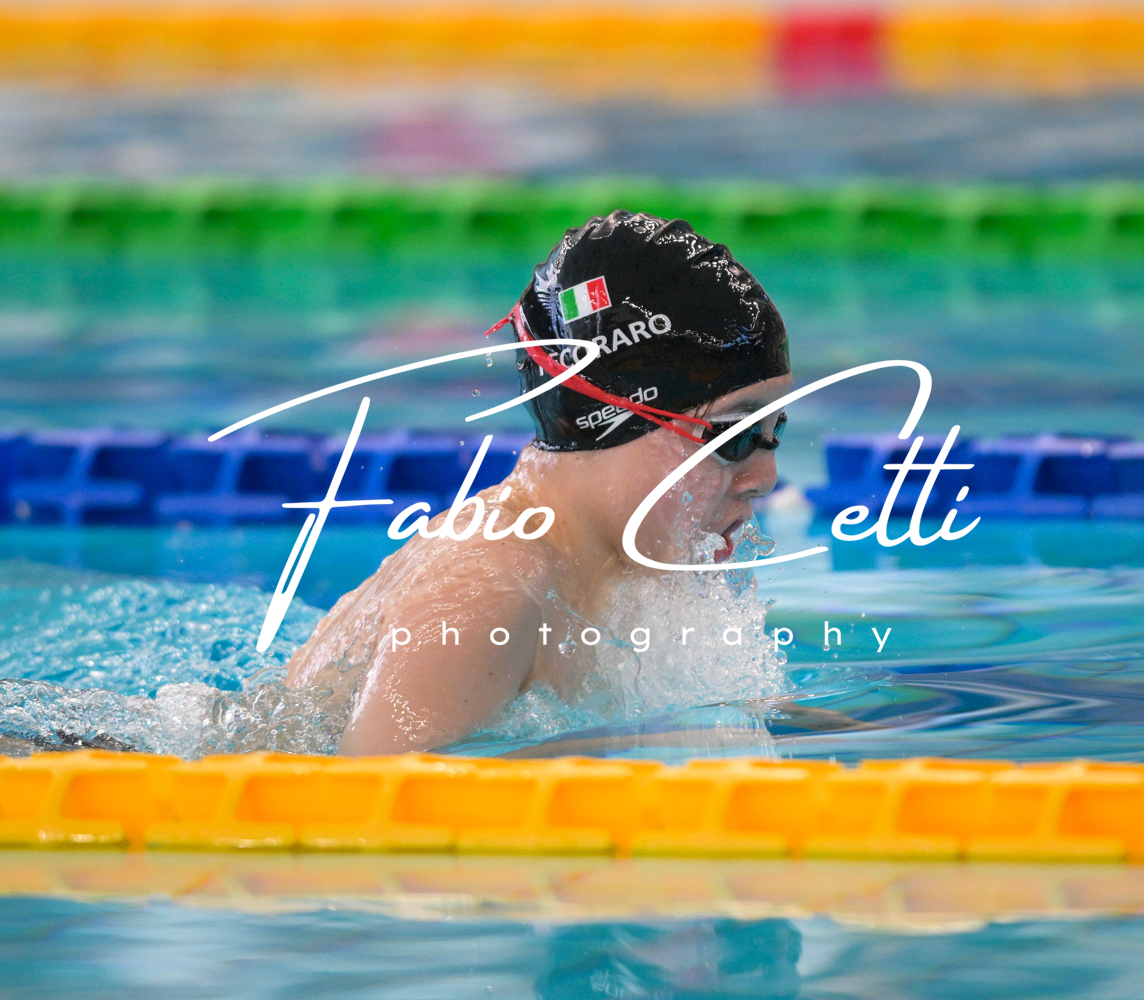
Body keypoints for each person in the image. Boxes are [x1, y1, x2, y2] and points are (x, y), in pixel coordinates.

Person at [285, 210, 792, 754]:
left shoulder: (616, 574)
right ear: (615, 417)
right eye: (732, 434)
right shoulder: (486, 592)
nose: (765, 477)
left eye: (774, 430)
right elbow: (372, 797)